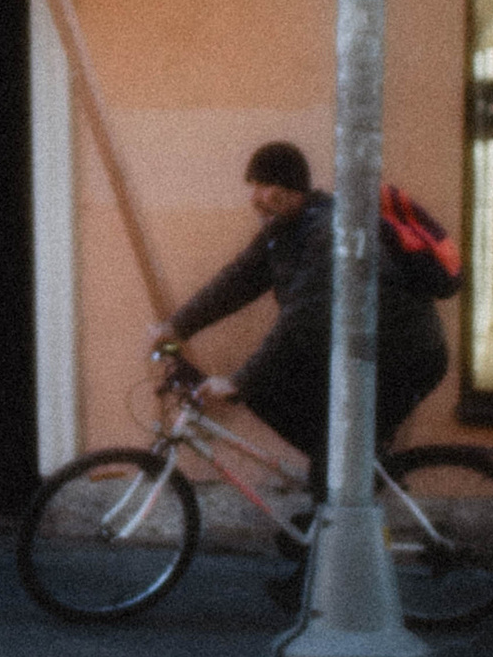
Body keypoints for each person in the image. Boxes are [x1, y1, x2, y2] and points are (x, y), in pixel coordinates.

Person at [151, 140, 452, 516]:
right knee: (279, 405)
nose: (255, 198)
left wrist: (240, 379)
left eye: (262, 187)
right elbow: (237, 281)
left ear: (285, 189)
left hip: (402, 357)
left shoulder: (327, 233)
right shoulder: (283, 233)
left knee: (329, 451)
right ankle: (351, 473)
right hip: (358, 354)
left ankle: (336, 526)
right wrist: (177, 327)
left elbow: (302, 321)